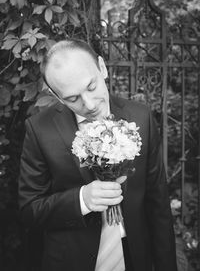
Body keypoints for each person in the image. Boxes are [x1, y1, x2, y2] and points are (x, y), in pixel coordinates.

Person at [18, 39, 177, 271]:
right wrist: (82, 199)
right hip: (72, 262)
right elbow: (29, 210)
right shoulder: (39, 129)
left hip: (134, 257)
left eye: (91, 87)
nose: (90, 104)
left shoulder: (141, 117)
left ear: (101, 67)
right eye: (73, 99)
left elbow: (158, 205)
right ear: (56, 95)